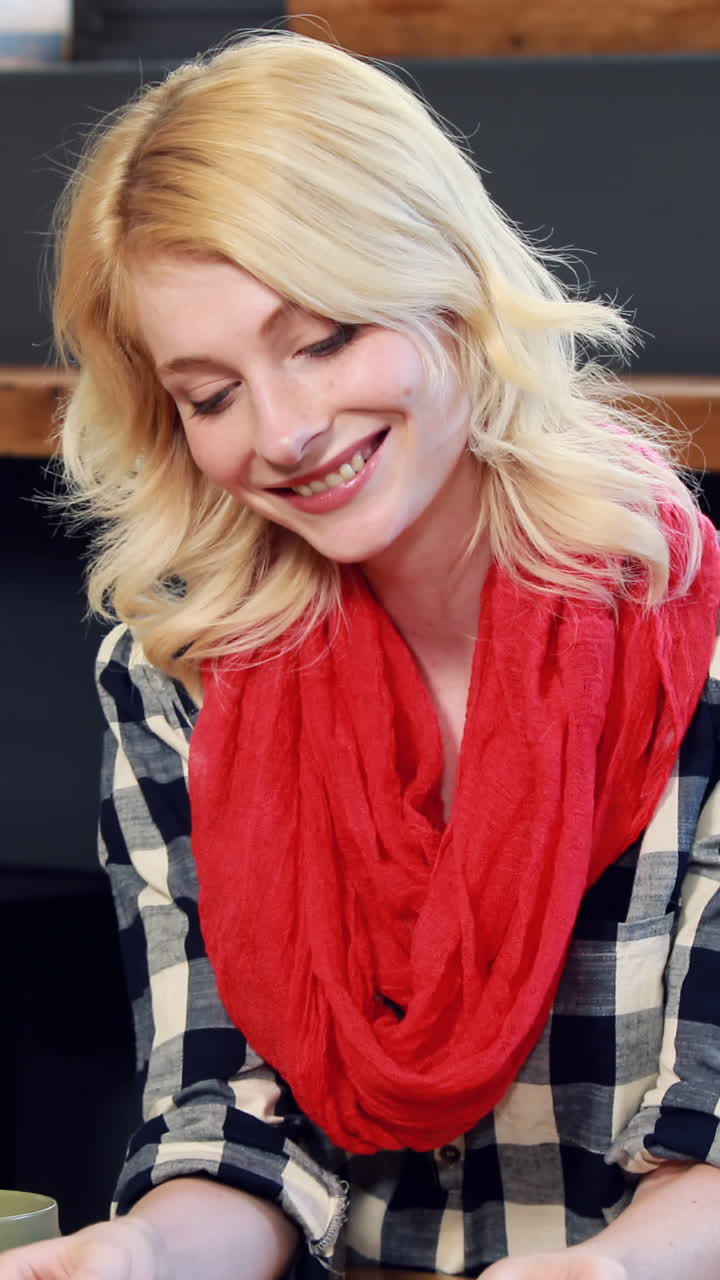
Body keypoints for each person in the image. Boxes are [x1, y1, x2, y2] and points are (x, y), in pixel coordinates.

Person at [4, 28, 720, 1280]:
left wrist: (605, 1270)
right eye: (211, 393)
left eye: (325, 337)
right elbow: (228, 1116)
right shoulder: (179, 670)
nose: (283, 432)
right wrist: (143, 1255)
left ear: (446, 283)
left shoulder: (697, 645)